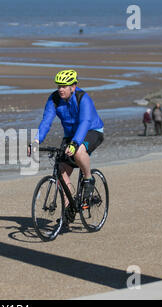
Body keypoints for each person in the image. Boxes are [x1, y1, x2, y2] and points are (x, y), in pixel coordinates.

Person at [29, 69, 104, 207]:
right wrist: (36, 141)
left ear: (73, 87)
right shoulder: (54, 99)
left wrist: (75, 143)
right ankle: (69, 208)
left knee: (79, 151)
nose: (60, 89)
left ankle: (88, 178)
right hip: (70, 135)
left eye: (64, 86)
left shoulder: (83, 98)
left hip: (91, 130)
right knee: (61, 171)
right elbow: (46, 121)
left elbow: (85, 122)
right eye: (59, 86)